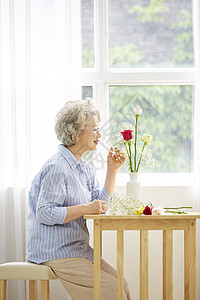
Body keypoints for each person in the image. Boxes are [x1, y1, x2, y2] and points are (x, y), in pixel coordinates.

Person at [26, 99, 131, 300]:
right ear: (77, 131)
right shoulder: (57, 167)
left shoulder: (84, 168)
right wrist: (85, 208)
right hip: (55, 251)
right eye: (95, 129)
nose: (100, 135)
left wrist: (112, 171)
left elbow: (99, 206)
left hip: (78, 249)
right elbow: (45, 213)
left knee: (121, 284)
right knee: (109, 288)